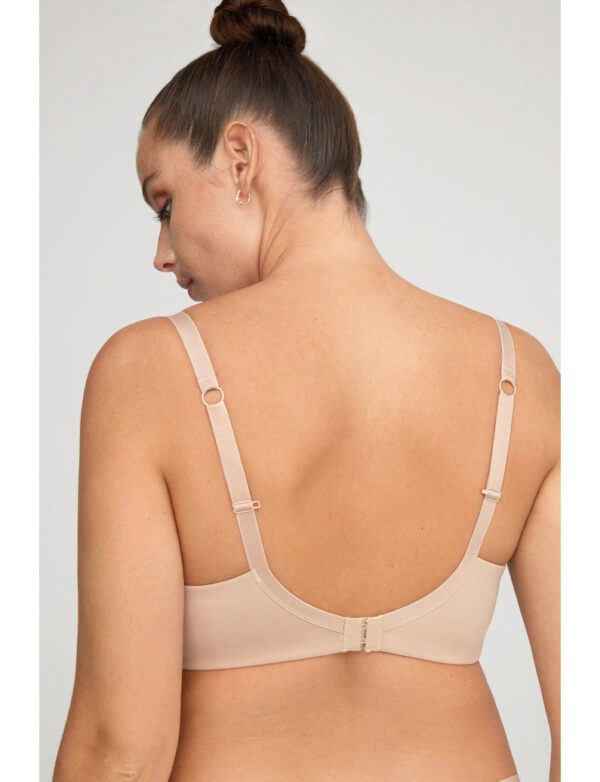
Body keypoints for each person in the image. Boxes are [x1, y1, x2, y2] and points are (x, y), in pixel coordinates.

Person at [52, 1, 560, 780]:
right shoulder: (523, 376)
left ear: (240, 159)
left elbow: (119, 750)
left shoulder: (147, 373)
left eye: (165, 204)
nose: (162, 253)